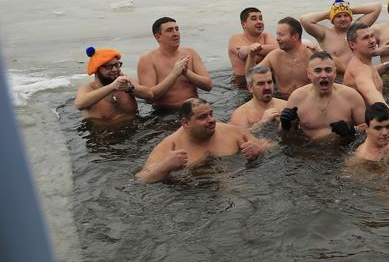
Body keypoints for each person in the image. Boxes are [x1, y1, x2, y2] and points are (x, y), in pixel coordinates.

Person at [136, 98, 270, 182]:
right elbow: (141, 179)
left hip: (237, 181)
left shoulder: (233, 132)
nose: (211, 120)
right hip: (193, 196)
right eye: (203, 117)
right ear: (186, 123)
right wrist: (165, 166)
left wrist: (260, 149)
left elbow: (272, 145)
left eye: (211, 114)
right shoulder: (171, 145)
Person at [75, 46, 187, 122]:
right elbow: (80, 104)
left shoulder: (126, 82)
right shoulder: (88, 88)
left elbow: (149, 95)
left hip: (133, 132)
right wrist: (112, 87)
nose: (115, 69)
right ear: (96, 70)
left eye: (117, 65)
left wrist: (129, 88)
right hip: (103, 138)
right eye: (109, 66)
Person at [279, 51, 366, 140]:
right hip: (307, 150)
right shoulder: (297, 98)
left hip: (342, 148)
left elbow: (369, 129)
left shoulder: (351, 97)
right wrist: (285, 125)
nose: (324, 75)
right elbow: (285, 135)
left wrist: (351, 130)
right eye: (318, 70)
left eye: (328, 70)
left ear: (335, 72)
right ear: (309, 74)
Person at [137, 17, 213, 110]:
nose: (175, 34)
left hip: (193, 110)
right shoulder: (148, 60)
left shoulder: (190, 53)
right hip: (166, 113)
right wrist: (174, 75)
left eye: (177, 29)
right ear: (158, 37)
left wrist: (186, 73)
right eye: (170, 30)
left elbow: (208, 86)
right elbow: (149, 97)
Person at [299, 0, 383, 75]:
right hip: (334, 80)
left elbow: (377, 7)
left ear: (351, 18)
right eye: (338, 16)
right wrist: (328, 14)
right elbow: (305, 19)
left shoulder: (358, 30)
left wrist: (349, 9)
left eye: (346, 15)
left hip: (359, 75)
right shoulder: (324, 34)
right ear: (331, 20)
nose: (343, 19)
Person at [343, 22, 389, 107]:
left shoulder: (364, 62)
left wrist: (388, 65)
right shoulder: (359, 70)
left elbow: (370, 72)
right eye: (366, 38)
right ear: (352, 44)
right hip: (368, 118)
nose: (372, 41)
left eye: (372, 36)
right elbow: (370, 93)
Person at [257, 17, 315, 97]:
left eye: (281, 35)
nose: (277, 38)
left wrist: (319, 51)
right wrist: (251, 56)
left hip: (307, 100)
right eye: (277, 34)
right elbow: (252, 76)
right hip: (282, 100)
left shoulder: (312, 56)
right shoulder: (274, 56)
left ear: (295, 37)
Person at [227, 7, 278, 86]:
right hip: (242, 84)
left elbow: (277, 49)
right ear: (244, 24)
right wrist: (264, 50)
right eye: (254, 19)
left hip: (266, 81)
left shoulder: (266, 36)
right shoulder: (235, 38)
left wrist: (251, 48)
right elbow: (243, 54)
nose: (259, 22)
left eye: (261, 19)